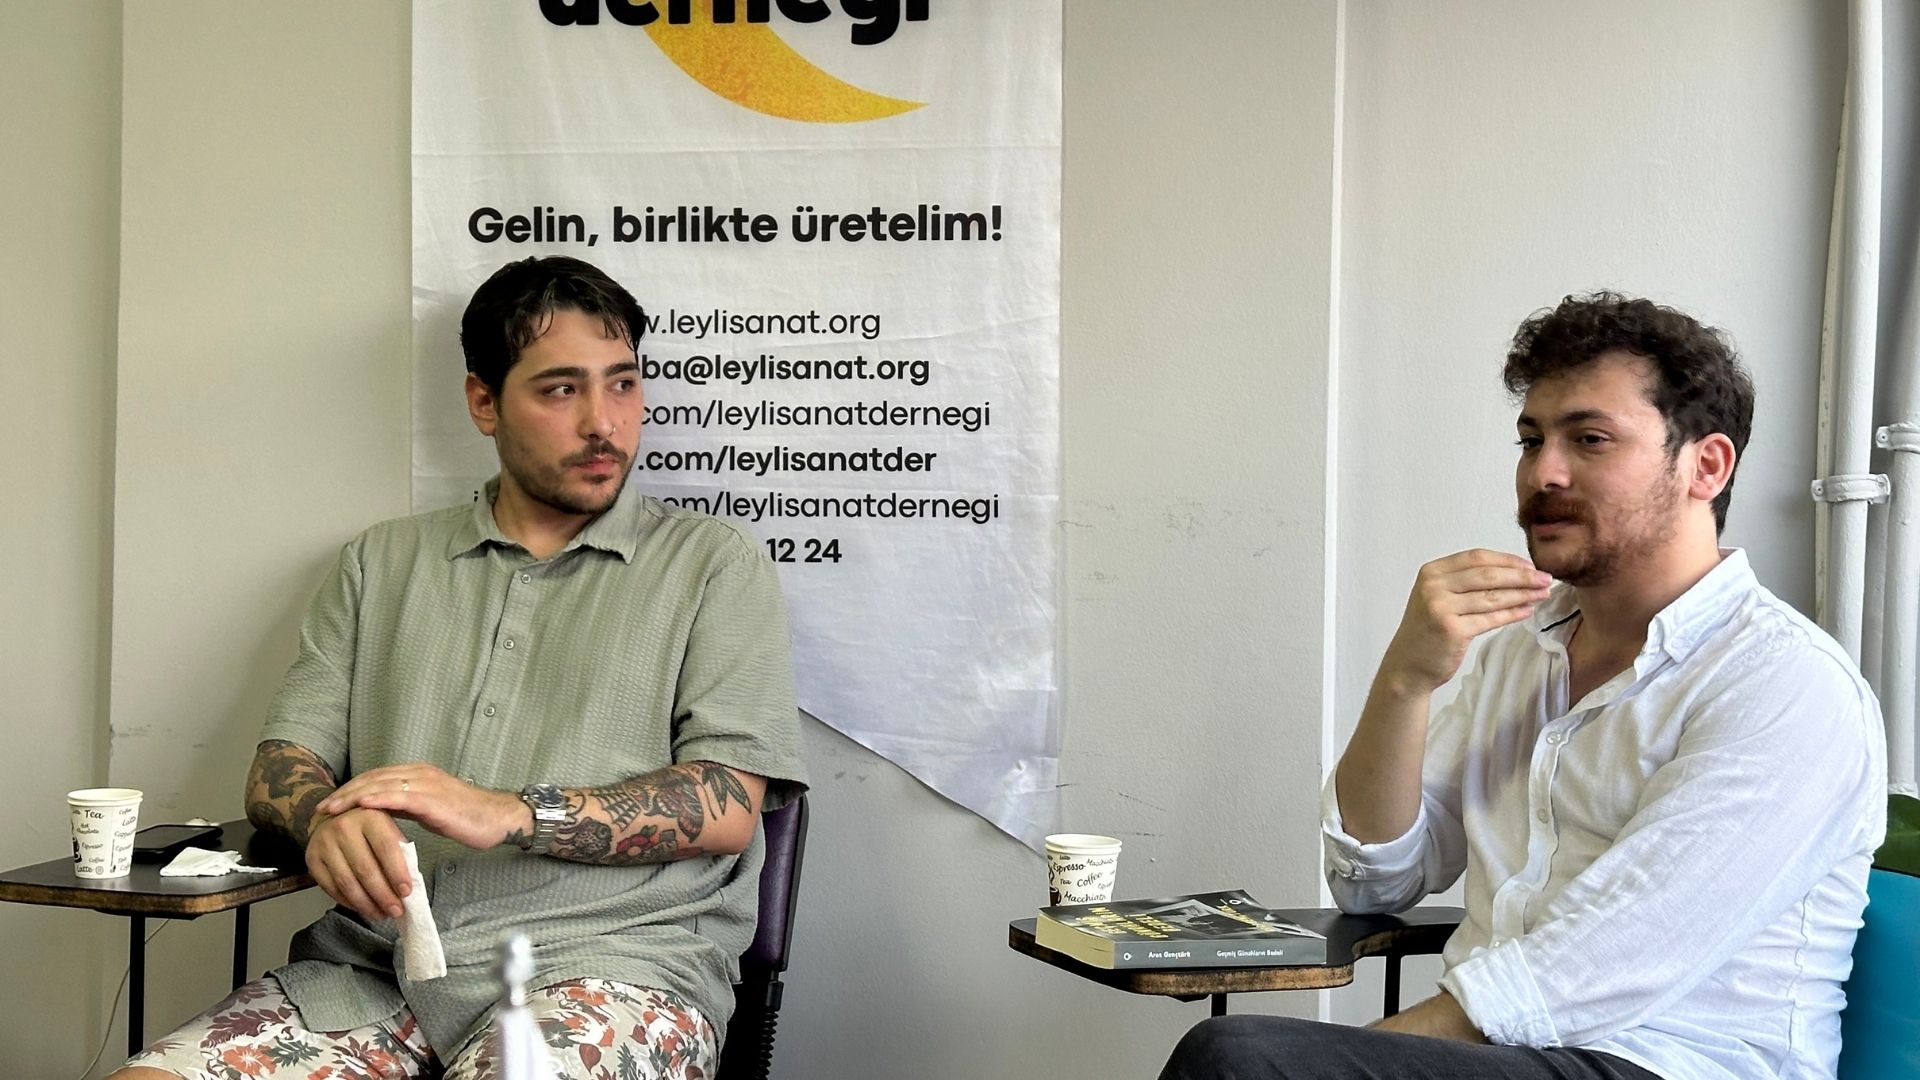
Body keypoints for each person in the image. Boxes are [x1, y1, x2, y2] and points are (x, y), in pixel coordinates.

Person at [115, 255, 807, 1080]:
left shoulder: (712, 564)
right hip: (374, 973)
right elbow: (278, 766)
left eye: (623, 384)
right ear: (484, 401)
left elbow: (728, 805)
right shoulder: (380, 562)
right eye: (561, 390)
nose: (604, 423)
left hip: (610, 970)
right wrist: (324, 822)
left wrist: (510, 812)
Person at [1162, 293, 1886, 1080]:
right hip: (1511, 1059)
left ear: (1705, 467)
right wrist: (1406, 679)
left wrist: (1345, 1060)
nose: (1544, 472)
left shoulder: (1785, 686)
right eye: (1532, 439)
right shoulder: (1520, 654)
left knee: (1241, 1060)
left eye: (1590, 439)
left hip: (1667, 1064)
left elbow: (1601, 965)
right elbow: (1375, 880)